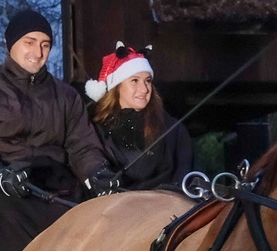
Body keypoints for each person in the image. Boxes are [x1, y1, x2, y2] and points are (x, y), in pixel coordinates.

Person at [0, 9, 121, 251]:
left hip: (56, 189)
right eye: (29, 42)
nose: (37, 52)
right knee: (2, 216)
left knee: (94, 220)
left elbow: (82, 147)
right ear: (10, 44)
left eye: (45, 44)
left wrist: (97, 174)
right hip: (4, 189)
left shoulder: (65, 96)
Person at [84, 42, 195, 192]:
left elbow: (187, 178)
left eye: (148, 81)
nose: (144, 89)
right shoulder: (94, 130)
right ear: (117, 87)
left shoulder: (173, 130)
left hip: (166, 203)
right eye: (135, 81)